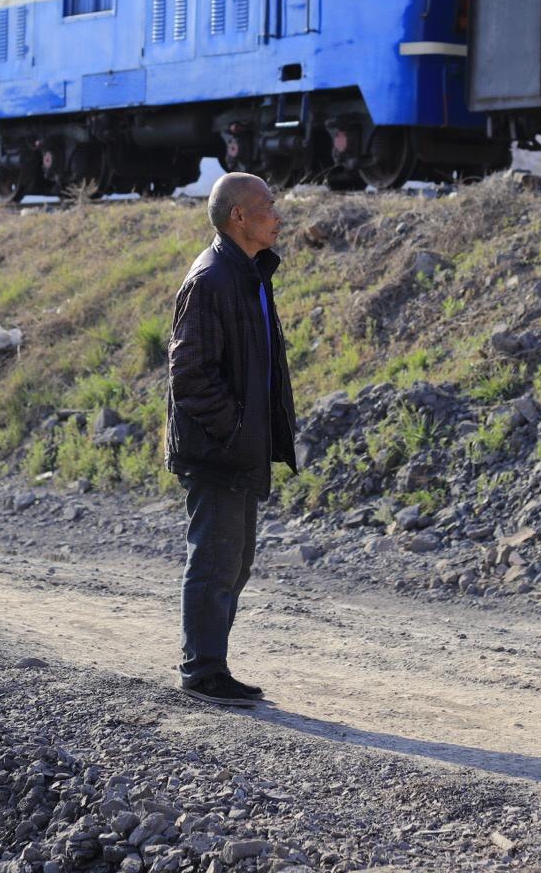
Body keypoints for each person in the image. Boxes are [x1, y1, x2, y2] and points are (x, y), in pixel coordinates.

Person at [164, 171, 299, 707]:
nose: (278, 214)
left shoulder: (247, 273)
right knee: (216, 559)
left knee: (234, 561)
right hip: (217, 451)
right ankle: (202, 670)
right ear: (239, 216)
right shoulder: (213, 277)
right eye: (269, 205)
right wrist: (235, 430)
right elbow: (190, 373)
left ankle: (212, 663)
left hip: (236, 448)